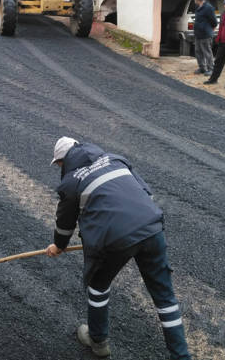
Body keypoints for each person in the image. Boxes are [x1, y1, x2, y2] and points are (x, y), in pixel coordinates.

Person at [45, 137, 192, 360]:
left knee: (98, 285)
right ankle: (182, 357)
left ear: (62, 162)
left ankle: (98, 341)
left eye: (58, 165)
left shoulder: (71, 181)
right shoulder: (115, 159)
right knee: (164, 296)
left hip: (114, 240)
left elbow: (65, 224)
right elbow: (146, 194)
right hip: (151, 227)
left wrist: (58, 245)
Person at [191, 0, 216, 76]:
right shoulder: (198, 7)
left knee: (207, 52)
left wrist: (210, 29)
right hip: (198, 34)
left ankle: (211, 69)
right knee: (198, 51)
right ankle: (202, 68)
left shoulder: (208, 8)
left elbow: (214, 21)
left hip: (206, 34)